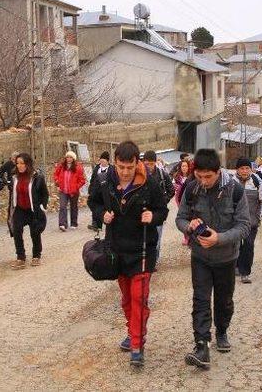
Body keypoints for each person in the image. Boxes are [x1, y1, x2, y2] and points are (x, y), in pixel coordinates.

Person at [88, 141, 169, 366]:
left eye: (129, 167)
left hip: (142, 251)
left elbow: (163, 210)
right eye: (121, 167)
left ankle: (137, 343)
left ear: (137, 163)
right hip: (116, 250)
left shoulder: (149, 183)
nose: (125, 172)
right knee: (126, 299)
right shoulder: (105, 181)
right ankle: (132, 331)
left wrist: (152, 217)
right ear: (115, 163)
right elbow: (93, 202)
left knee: (138, 298)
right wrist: (102, 214)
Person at [175, 149, 251, 369]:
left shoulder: (235, 190)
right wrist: (188, 227)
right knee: (200, 300)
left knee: (224, 301)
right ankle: (201, 345)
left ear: (218, 172)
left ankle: (223, 330)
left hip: (227, 257)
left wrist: (220, 238)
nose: (204, 181)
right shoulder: (191, 188)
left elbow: (244, 225)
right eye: (200, 176)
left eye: (208, 176)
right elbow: (180, 218)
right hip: (200, 256)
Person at [8, 153, 49, 269]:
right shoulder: (14, 177)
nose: (19, 166)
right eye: (17, 163)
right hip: (19, 209)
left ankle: (36, 255)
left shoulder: (37, 177)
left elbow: (44, 194)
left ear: (28, 164)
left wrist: (42, 206)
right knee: (16, 231)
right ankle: (20, 257)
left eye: (22, 163)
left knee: (34, 232)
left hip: (33, 209)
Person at [233, 158, 262, 284]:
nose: (244, 171)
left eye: (247, 168)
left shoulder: (256, 181)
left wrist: (259, 216)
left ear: (251, 169)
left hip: (251, 222)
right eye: (241, 168)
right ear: (237, 169)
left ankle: (245, 272)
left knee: (248, 245)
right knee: (235, 245)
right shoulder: (231, 182)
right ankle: (236, 266)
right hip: (234, 222)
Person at [142, 150, 175, 263]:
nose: (149, 166)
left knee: (157, 237)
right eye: (147, 164)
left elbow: (171, 190)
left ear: (155, 162)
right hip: (143, 211)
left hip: (157, 212)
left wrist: (162, 202)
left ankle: (153, 260)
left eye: (151, 164)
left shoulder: (162, 174)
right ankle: (144, 259)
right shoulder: (139, 175)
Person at [53, 151, 86, 231]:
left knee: (73, 207)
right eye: (67, 157)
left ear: (73, 159)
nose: (69, 159)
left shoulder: (78, 167)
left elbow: (82, 180)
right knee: (62, 206)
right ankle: (62, 224)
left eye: (71, 157)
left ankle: (74, 223)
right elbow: (55, 174)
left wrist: (76, 187)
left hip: (73, 191)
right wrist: (57, 181)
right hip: (63, 190)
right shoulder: (61, 166)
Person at [87, 151, 113, 231]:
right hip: (96, 192)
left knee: (104, 208)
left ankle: (106, 222)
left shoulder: (111, 169)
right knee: (96, 207)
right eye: (101, 160)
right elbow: (92, 179)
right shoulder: (97, 168)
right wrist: (90, 189)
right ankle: (96, 225)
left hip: (106, 193)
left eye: (104, 160)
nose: (102, 161)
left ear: (107, 161)